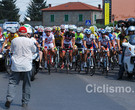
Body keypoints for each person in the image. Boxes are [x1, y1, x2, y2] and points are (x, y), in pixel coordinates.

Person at [5, 26, 36, 108]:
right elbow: (34, 50)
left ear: (18, 33)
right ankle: (25, 102)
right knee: (26, 84)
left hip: (16, 65)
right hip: (27, 66)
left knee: (12, 83)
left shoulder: (14, 40)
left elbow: (11, 50)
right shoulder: (30, 41)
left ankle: (9, 99)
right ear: (26, 33)